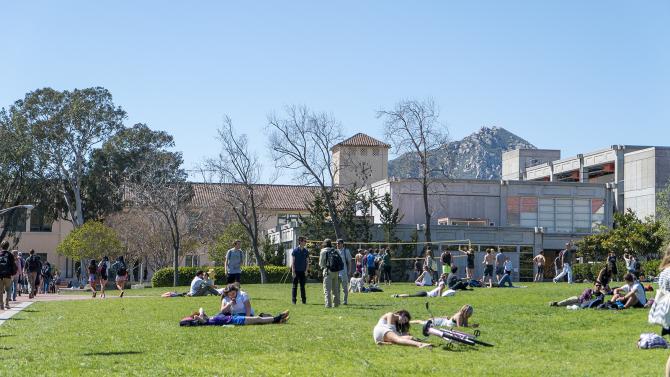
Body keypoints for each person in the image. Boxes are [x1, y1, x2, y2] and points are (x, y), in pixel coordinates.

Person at [180, 308, 289, 327]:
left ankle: (278, 320)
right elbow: (199, 314)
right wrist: (196, 317)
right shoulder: (204, 322)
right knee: (258, 319)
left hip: (234, 317)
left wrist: (200, 313)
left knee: (258, 319)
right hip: (235, 320)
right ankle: (278, 317)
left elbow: (201, 308)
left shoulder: (208, 319)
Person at [411, 304, 478, 328]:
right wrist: (471, 327)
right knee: (422, 322)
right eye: (469, 313)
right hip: (442, 322)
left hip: (445, 321)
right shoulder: (460, 315)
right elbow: (459, 327)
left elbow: (465, 326)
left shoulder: (465, 316)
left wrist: (472, 326)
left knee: (427, 321)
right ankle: (409, 322)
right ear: (465, 311)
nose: (470, 314)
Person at [319, 238, 341, 308]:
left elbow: (321, 264)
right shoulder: (335, 250)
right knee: (335, 289)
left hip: (328, 272)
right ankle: (336, 304)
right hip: (336, 272)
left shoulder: (323, 251)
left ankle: (328, 305)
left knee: (327, 290)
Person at [291, 236, 309, 305]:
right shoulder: (295, 251)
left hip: (303, 272)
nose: (305, 242)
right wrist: (293, 271)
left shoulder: (306, 251)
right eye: (304, 241)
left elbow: (307, 262)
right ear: (300, 242)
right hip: (296, 271)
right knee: (294, 287)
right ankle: (293, 301)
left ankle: (304, 301)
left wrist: (306, 270)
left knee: (302, 287)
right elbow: (293, 262)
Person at [0, 241, 17, 310]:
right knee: (8, 290)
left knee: (0, 290)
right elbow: (13, 265)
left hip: (0, 275)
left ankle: (1, 304)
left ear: (1, 246)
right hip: (8, 275)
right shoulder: (10, 255)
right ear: (8, 246)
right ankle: (7, 303)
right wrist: (13, 274)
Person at [335, 239, 353, 305]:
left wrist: (349, 270)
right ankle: (338, 301)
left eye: (339, 243)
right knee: (337, 288)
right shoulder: (335, 251)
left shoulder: (346, 251)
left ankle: (345, 301)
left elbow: (349, 262)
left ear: (342, 244)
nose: (337, 245)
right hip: (336, 273)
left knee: (345, 288)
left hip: (344, 272)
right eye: (336, 243)